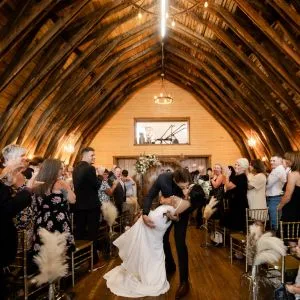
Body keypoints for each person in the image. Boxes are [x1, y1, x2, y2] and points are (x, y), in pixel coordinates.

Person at [104, 184, 205, 298]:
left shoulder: (182, 201)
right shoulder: (180, 198)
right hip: (158, 220)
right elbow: (168, 207)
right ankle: (161, 268)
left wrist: (167, 208)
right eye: (186, 186)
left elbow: (166, 204)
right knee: (153, 244)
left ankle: (181, 280)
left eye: (188, 188)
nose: (185, 188)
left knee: (155, 244)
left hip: (158, 222)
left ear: (191, 194)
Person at [142, 168, 193, 299]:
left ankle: (184, 282)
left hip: (183, 213)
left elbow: (192, 202)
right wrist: (145, 213)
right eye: (182, 186)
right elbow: (149, 195)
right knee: (163, 239)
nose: (185, 188)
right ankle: (170, 265)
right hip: (166, 213)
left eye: (187, 186)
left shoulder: (189, 182)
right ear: (175, 180)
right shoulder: (163, 178)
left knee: (180, 242)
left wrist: (179, 213)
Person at [0, 144, 33, 299]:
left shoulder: (13, 174)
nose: (25, 158)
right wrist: (28, 190)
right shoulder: (5, 176)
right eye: (22, 156)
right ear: (10, 158)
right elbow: (7, 207)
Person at [32, 159, 76, 254]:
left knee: (44, 252)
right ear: (53, 169)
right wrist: (67, 185)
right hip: (57, 220)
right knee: (59, 252)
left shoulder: (37, 184)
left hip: (41, 220)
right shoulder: (60, 183)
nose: (62, 171)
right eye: (60, 168)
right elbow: (72, 200)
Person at [72, 147, 102, 267]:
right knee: (92, 233)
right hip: (91, 206)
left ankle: (79, 259)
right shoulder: (90, 168)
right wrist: (99, 176)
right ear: (84, 155)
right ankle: (93, 260)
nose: (94, 157)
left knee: (79, 233)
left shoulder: (76, 169)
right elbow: (97, 186)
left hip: (79, 206)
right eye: (92, 155)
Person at [278, 151, 300, 222]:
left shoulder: (293, 175)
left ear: (293, 160)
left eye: (287, 158)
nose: (285, 160)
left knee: (288, 232)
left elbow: (287, 196)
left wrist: (279, 206)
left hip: (292, 210)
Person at [266, 154, 286, 230]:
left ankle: (276, 238)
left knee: (274, 219)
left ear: (280, 161)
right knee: (274, 218)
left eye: (274, 160)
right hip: (274, 197)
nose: (271, 162)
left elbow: (268, 184)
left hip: (275, 198)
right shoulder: (276, 169)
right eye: (270, 160)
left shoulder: (278, 170)